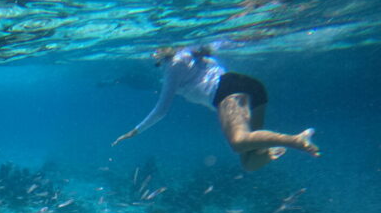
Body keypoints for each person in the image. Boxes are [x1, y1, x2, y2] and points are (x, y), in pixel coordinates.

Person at [112, 45, 319, 171]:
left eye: (154, 53)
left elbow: (161, 110)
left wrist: (134, 131)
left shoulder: (173, 66)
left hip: (226, 91)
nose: (153, 57)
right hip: (249, 87)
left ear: (161, 53)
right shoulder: (191, 54)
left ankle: (295, 140)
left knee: (238, 143)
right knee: (249, 163)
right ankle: (271, 148)